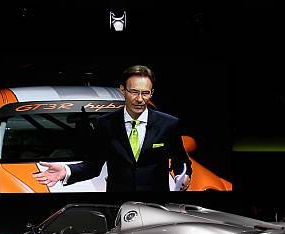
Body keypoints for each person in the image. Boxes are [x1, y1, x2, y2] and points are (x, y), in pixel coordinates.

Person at [33, 65, 192, 191]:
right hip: (118, 204)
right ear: (123, 90)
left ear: (152, 93)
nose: (139, 99)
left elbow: (181, 160)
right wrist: (66, 171)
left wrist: (182, 176)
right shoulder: (105, 124)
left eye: (145, 93)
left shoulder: (168, 124)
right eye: (134, 92)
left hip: (157, 205)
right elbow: (93, 166)